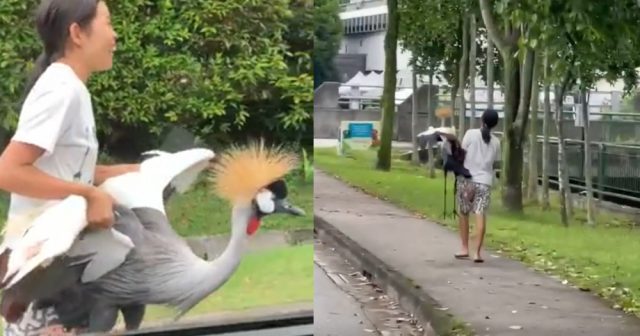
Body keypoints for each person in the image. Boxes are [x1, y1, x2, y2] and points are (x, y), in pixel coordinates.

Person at [0, 1, 139, 334]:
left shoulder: (72, 88)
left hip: (62, 273)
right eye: (107, 23)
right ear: (77, 33)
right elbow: (8, 170)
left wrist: (135, 172)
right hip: (43, 274)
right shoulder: (60, 89)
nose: (115, 34)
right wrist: (88, 194)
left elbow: (66, 170)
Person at [454, 109, 501, 263]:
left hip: (467, 180)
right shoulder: (496, 142)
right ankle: (477, 253)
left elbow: (461, 154)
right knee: (480, 214)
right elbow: (496, 163)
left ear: (481, 119)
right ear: (495, 124)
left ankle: (464, 248)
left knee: (464, 213)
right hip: (484, 182)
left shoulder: (470, 134)